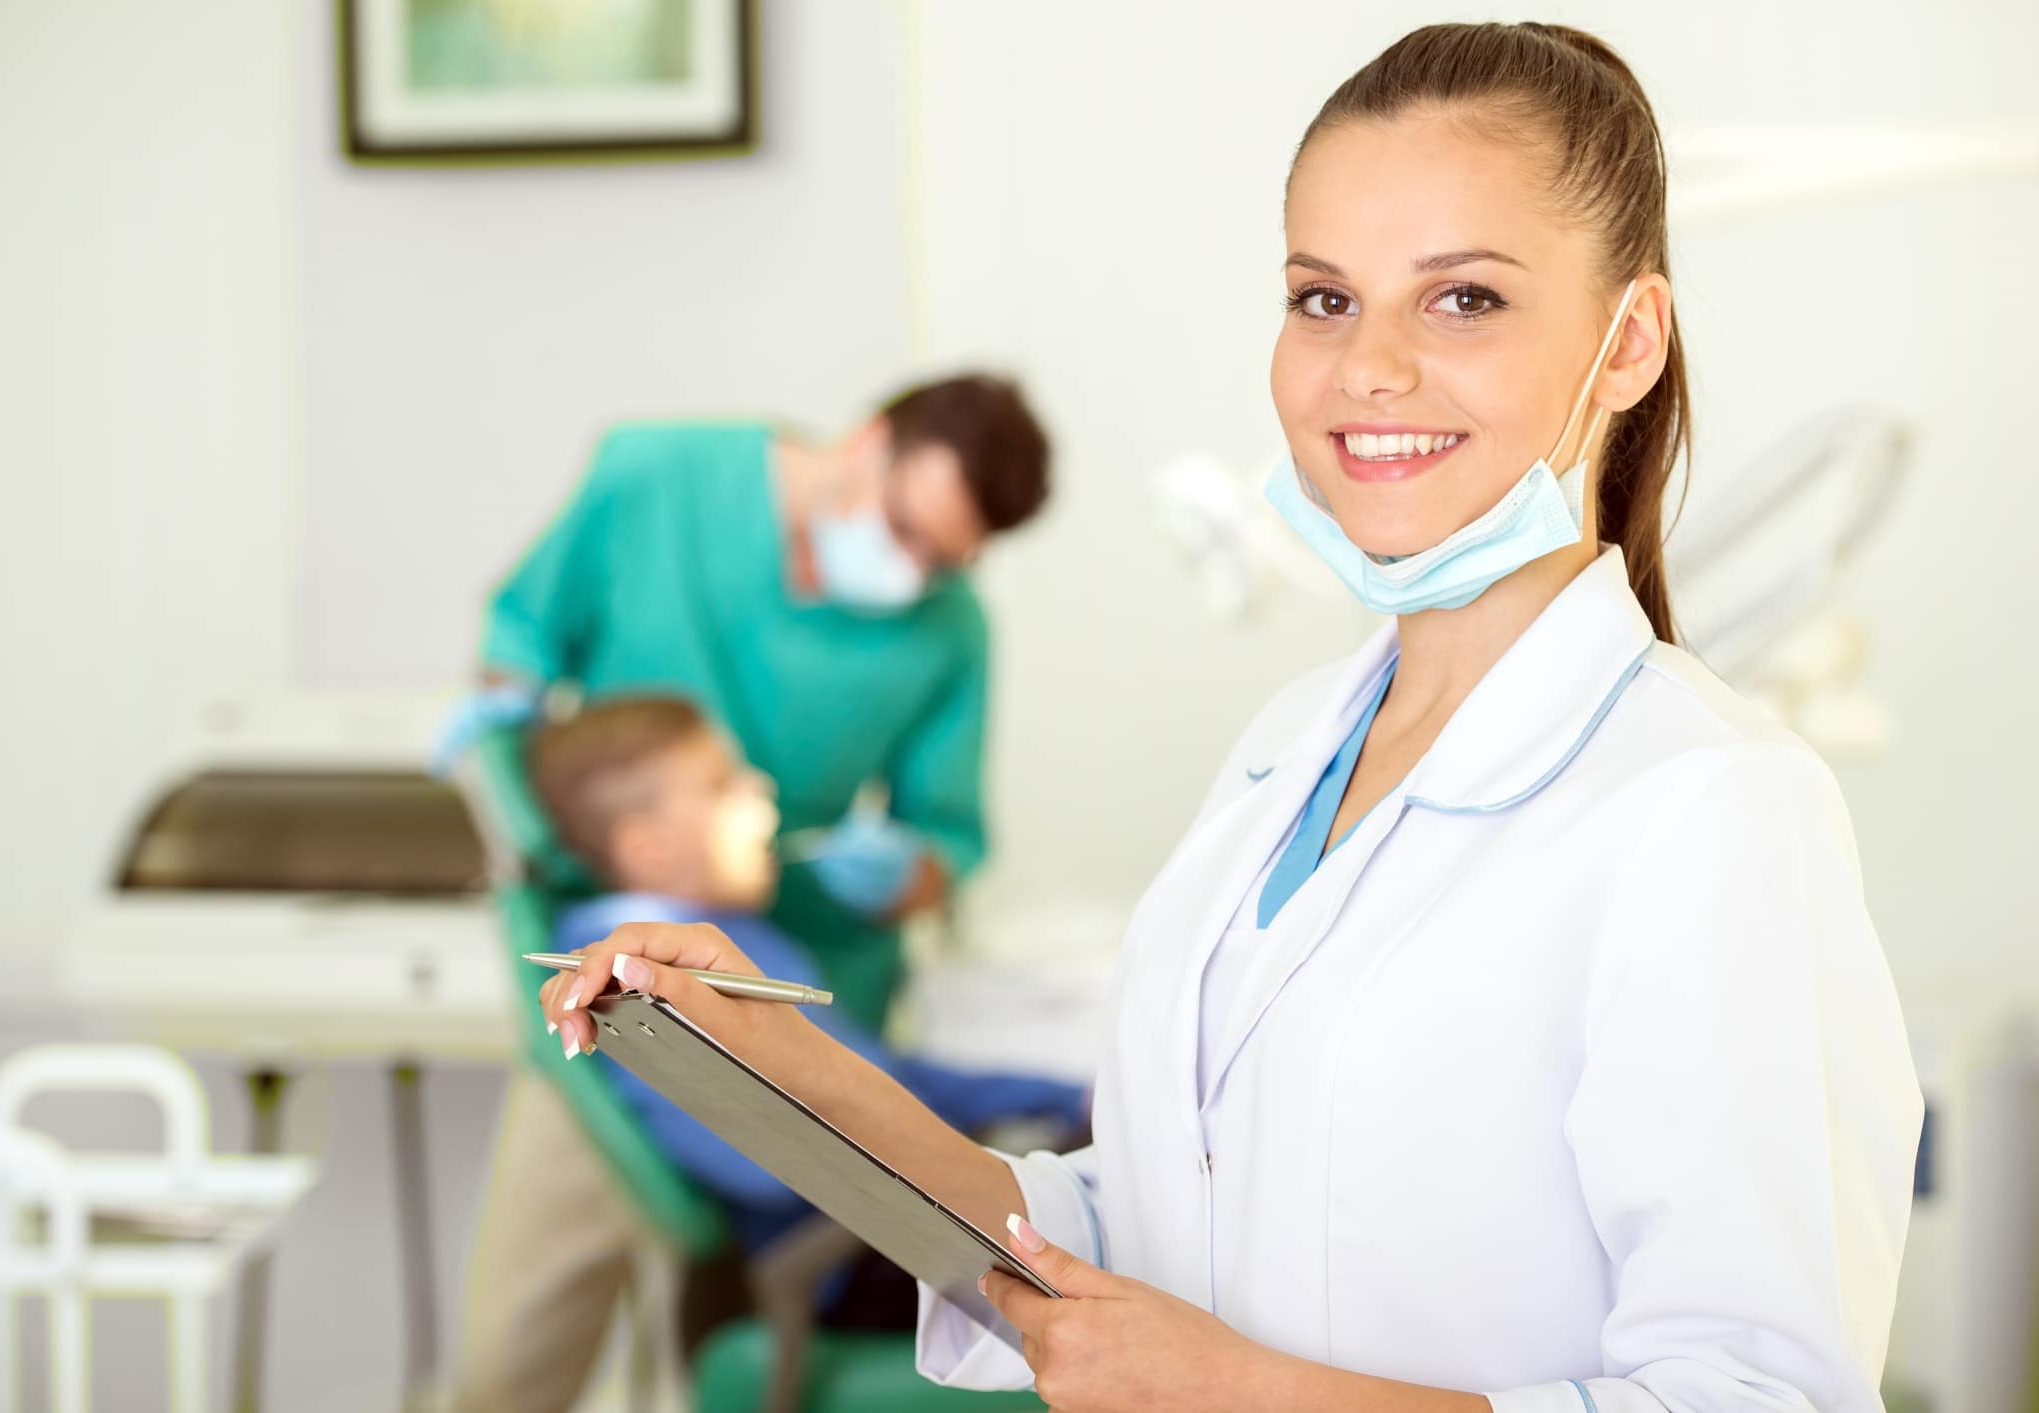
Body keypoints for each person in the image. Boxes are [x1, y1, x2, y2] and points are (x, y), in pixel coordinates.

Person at [544, 22, 1922, 1413]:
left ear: (1625, 344)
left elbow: (1765, 1397)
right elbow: (1127, 1244)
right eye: (1324, 299)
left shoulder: (1711, 805)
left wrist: (1244, 1390)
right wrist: (792, 1066)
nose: (1366, 368)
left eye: (1463, 301)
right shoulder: (1288, 753)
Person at [447, 377, 1049, 1413]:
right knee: (520, 1354)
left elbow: (946, 841)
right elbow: (520, 639)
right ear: (867, 443)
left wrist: (899, 871)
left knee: (732, 1336)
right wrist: (499, 729)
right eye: (902, 529)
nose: (911, 574)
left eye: (942, 561)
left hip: (805, 985)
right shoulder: (656, 479)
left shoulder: (949, 633)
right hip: (618, 989)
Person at [533, 694, 1087, 1254]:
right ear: (645, 848)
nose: (762, 789)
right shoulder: (631, 964)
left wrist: (1063, 1098)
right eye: (722, 784)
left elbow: (883, 1078)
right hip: (843, 1248)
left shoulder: (744, 936)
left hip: (896, 1211)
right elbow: (762, 1170)